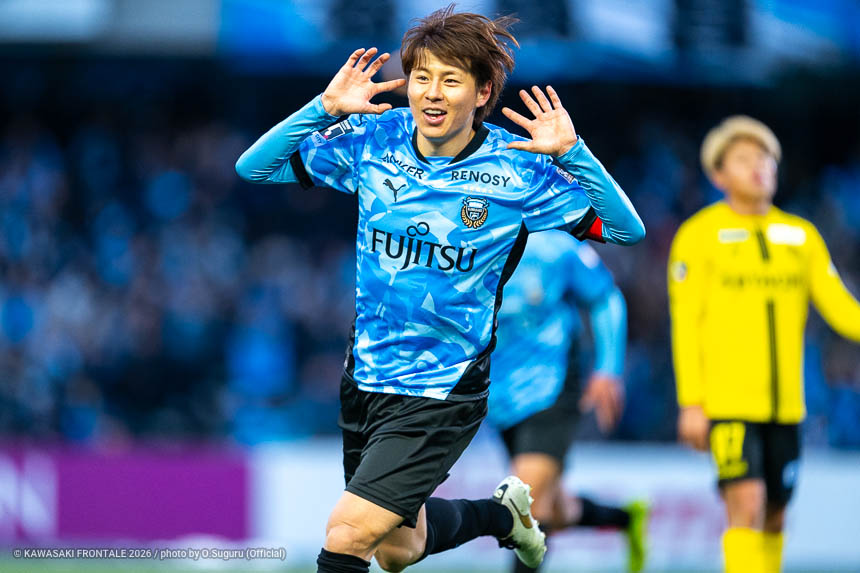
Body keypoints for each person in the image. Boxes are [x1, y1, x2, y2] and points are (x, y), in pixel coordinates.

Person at [236, 6, 645, 573]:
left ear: (482, 93)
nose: (432, 92)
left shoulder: (517, 170)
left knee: (347, 534)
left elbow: (626, 230)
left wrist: (575, 155)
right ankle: (504, 518)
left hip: (444, 388)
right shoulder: (374, 137)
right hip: (366, 377)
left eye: (451, 80)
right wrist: (322, 109)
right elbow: (254, 168)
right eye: (422, 77)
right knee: (397, 551)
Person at [669, 116, 860, 573]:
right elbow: (685, 322)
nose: (759, 167)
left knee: (775, 515)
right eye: (744, 159)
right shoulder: (698, 236)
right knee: (747, 503)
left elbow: (841, 307)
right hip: (728, 403)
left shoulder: (801, 237)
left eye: (765, 158)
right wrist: (691, 402)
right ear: (719, 175)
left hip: (787, 406)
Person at [488, 230, 648, 573]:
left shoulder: (555, 246)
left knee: (525, 506)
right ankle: (624, 518)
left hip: (552, 385)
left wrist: (608, 369)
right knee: (555, 510)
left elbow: (605, 297)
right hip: (498, 395)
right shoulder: (472, 241)